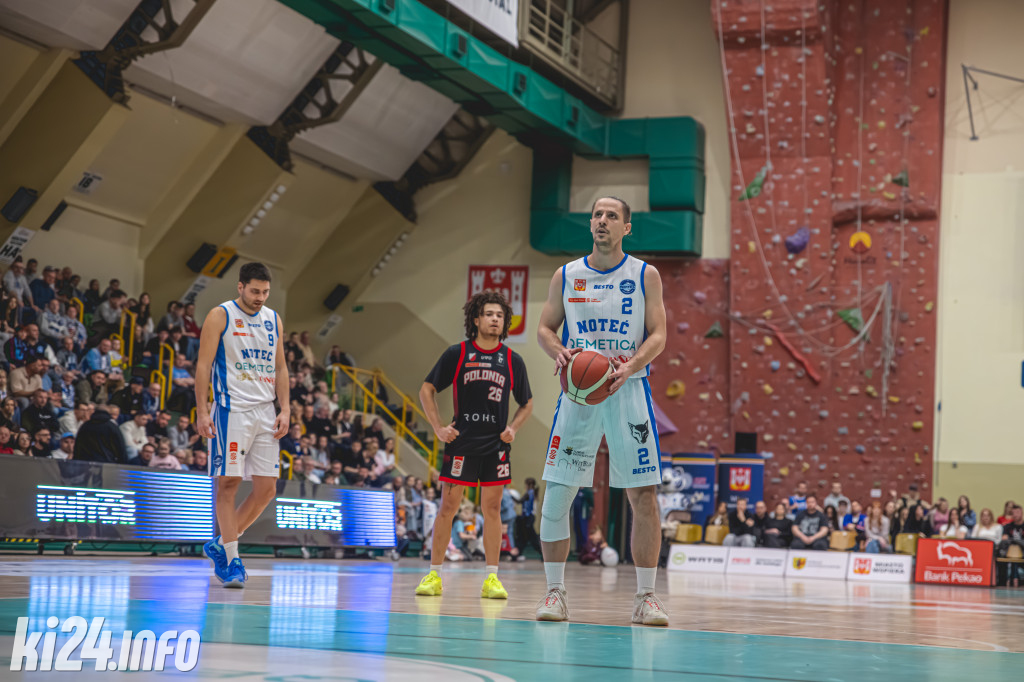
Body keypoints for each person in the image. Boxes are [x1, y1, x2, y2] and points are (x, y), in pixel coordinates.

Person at [532, 196, 669, 626]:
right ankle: (555, 593)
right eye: (597, 215)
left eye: (612, 216)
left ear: (627, 227)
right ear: (590, 224)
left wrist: (631, 364)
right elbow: (544, 328)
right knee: (558, 492)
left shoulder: (645, 274)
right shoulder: (566, 274)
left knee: (643, 495)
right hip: (578, 393)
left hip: (628, 388)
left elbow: (659, 334)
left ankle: (646, 598)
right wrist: (558, 351)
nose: (602, 221)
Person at [415, 291, 533, 601]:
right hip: (462, 443)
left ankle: (492, 578)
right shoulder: (457, 353)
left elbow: (527, 403)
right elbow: (427, 390)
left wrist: (513, 428)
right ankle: (434, 574)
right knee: (448, 508)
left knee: (492, 509)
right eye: (489, 314)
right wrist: (438, 428)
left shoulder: (512, 360)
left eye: (500, 315)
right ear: (476, 320)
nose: (495, 319)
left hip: (495, 446)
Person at [195, 263, 289, 589]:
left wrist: (286, 408)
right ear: (240, 287)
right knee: (229, 483)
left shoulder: (274, 319)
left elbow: (281, 368)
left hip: (266, 412)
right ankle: (232, 560)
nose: (260, 297)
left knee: (267, 490)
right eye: (254, 291)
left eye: (265, 292)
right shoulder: (220, 315)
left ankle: (222, 543)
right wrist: (202, 411)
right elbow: (203, 365)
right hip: (231, 409)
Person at [999, 505, 1024, 587]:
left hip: (1022, 553)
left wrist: (1013, 540)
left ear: (1022, 513)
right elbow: (1004, 541)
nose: (1015, 515)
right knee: (1002, 557)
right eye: (1013, 513)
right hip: (1009, 553)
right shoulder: (1007, 526)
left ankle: (1016, 580)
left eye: (1017, 512)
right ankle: (1002, 582)